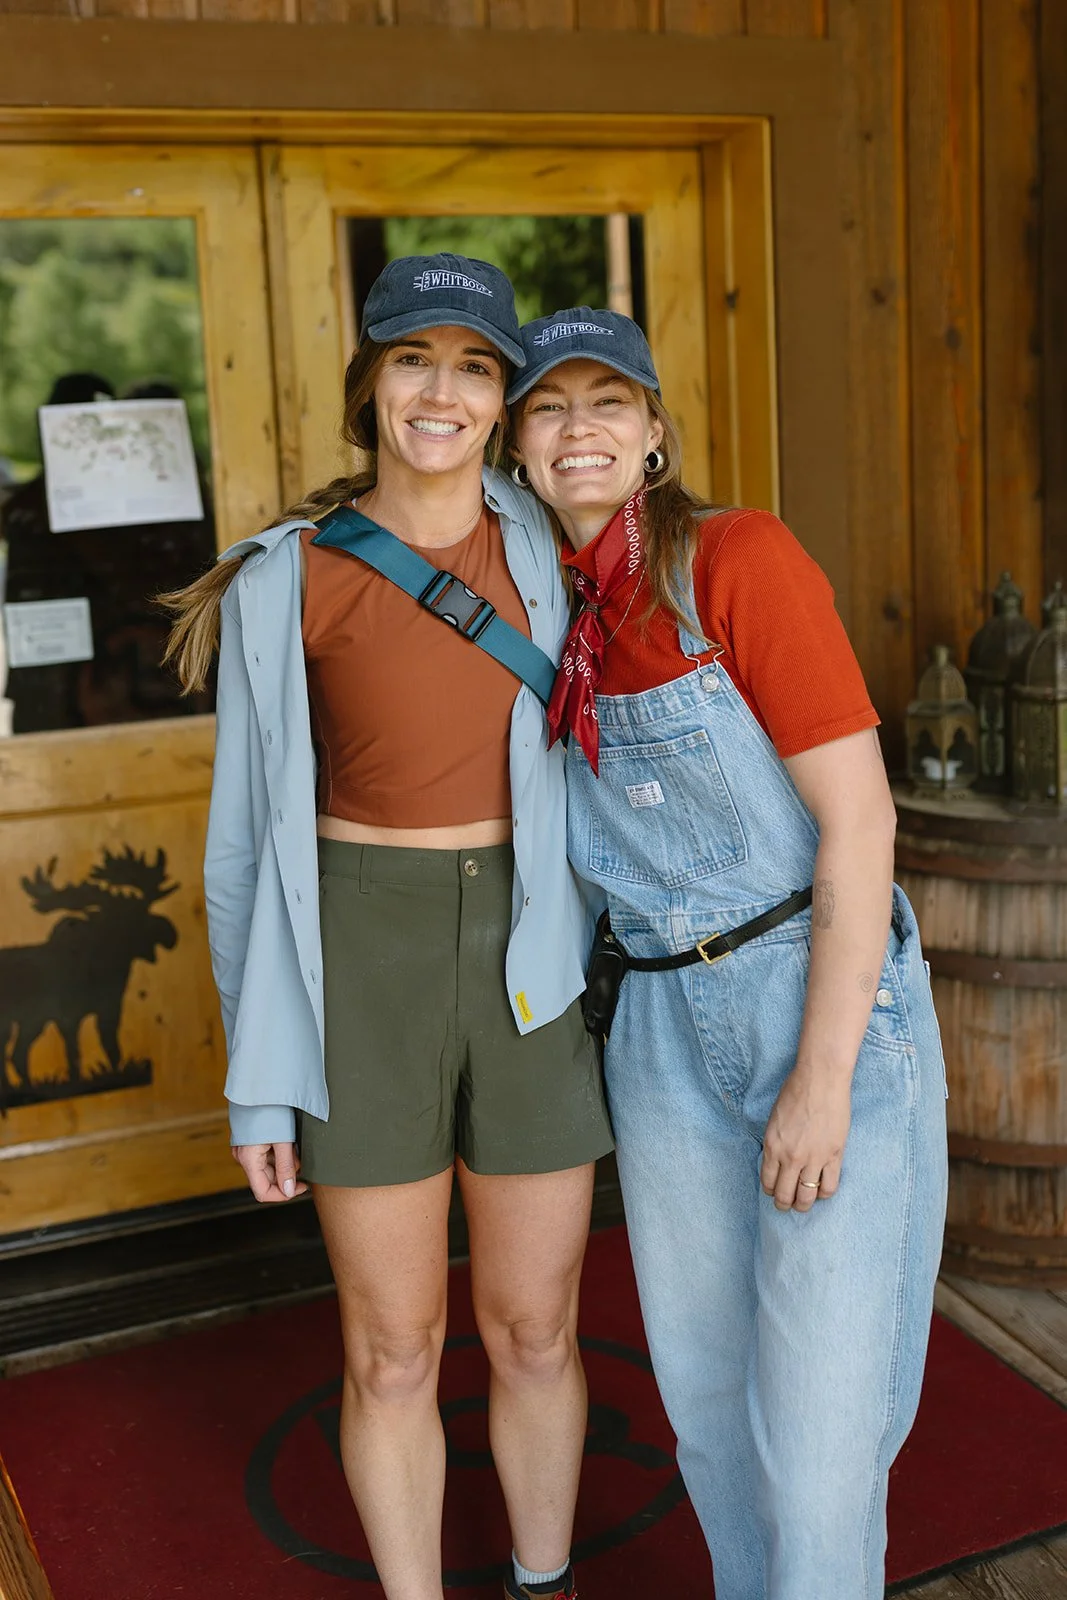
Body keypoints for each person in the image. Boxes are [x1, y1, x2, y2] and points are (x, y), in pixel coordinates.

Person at [162, 259, 613, 1600]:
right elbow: (241, 851)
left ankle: (547, 1582)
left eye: (475, 366)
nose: (441, 391)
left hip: (527, 959)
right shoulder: (281, 579)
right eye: (413, 360)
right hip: (360, 960)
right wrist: (260, 1070)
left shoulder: (548, 543)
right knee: (394, 1348)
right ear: (369, 385)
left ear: (501, 399)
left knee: (535, 1327)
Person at [507, 307, 949, 1600]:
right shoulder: (542, 615)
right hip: (652, 1029)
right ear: (519, 446)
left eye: (608, 402)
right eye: (548, 407)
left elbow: (859, 822)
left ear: (652, 434)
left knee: (817, 1450)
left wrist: (818, 1080)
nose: (579, 427)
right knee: (706, 1414)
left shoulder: (732, 561)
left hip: (812, 995)